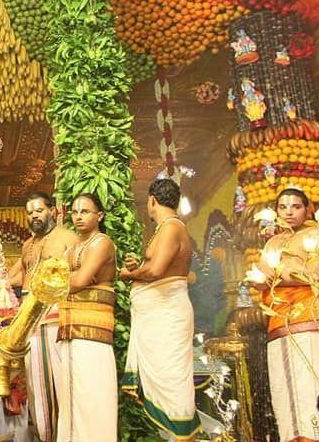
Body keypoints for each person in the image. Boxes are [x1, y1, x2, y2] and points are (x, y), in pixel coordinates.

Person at [121, 178, 200, 441]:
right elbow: (154, 266)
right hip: (158, 317)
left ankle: (181, 437)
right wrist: (138, 265)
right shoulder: (167, 228)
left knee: (172, 384)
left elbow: (156, 271)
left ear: (153, 200)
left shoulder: (171, 227)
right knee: (166, 384)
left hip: (167, 315)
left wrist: (127, 274)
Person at [7, 192, 78, 442]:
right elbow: (17, 278)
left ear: (53, 211)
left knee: (57, 380)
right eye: (30, 212)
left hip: (53, 314)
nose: (34, 216)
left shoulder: (68, 237)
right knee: (36, 385)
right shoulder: (28, 245)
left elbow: (78, 271)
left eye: (39, 210)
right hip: (28, 315)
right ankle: (42, 436)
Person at [254, 187, 319, 442]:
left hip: (308, 322)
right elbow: (260, 280)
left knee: (309, 394)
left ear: (308, 209)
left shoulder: (316, 235)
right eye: (283, 207)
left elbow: (316, 274)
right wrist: (290, 273)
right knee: (285, 398)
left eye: (295, 206)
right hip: (278, 325)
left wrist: (280, 274)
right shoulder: (274, 242)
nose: (289, 212)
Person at [55, 193, 117, 442]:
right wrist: (64, 281)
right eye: (75, 212)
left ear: (99, 215)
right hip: (70, 329)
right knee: (71, 399)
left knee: (93, 397)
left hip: (93, 333)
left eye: (85, 211)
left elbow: (79, 281)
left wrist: (60, 281)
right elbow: (51, 279)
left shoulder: (101, 243)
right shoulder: (73, 248)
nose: (78, 216)